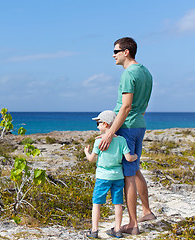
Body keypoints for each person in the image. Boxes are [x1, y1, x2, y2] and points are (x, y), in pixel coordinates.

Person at [98, 37, 155, 235]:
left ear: (126, 52)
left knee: (128, 175)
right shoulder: (146, 72)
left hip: (128, 127)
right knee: (135, 168)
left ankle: (132, 224)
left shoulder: (128, 74)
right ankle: (146, 211)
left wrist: (110, 132)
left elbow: (126, 106)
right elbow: (143, 105)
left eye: (115, 51)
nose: (113, 55)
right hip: (139, 124)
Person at [84, 110, 138, 239]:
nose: (97, 126)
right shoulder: (121, 140)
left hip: (103, 176)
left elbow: (91, 159)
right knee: (118, 204)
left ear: (106, 124)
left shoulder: (99, 141)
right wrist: (136, 156)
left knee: (96, 203)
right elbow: (129, 158)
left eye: (98, 123)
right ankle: (117, 230)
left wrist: (86, 152)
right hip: (118, 176)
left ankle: (94, 230)